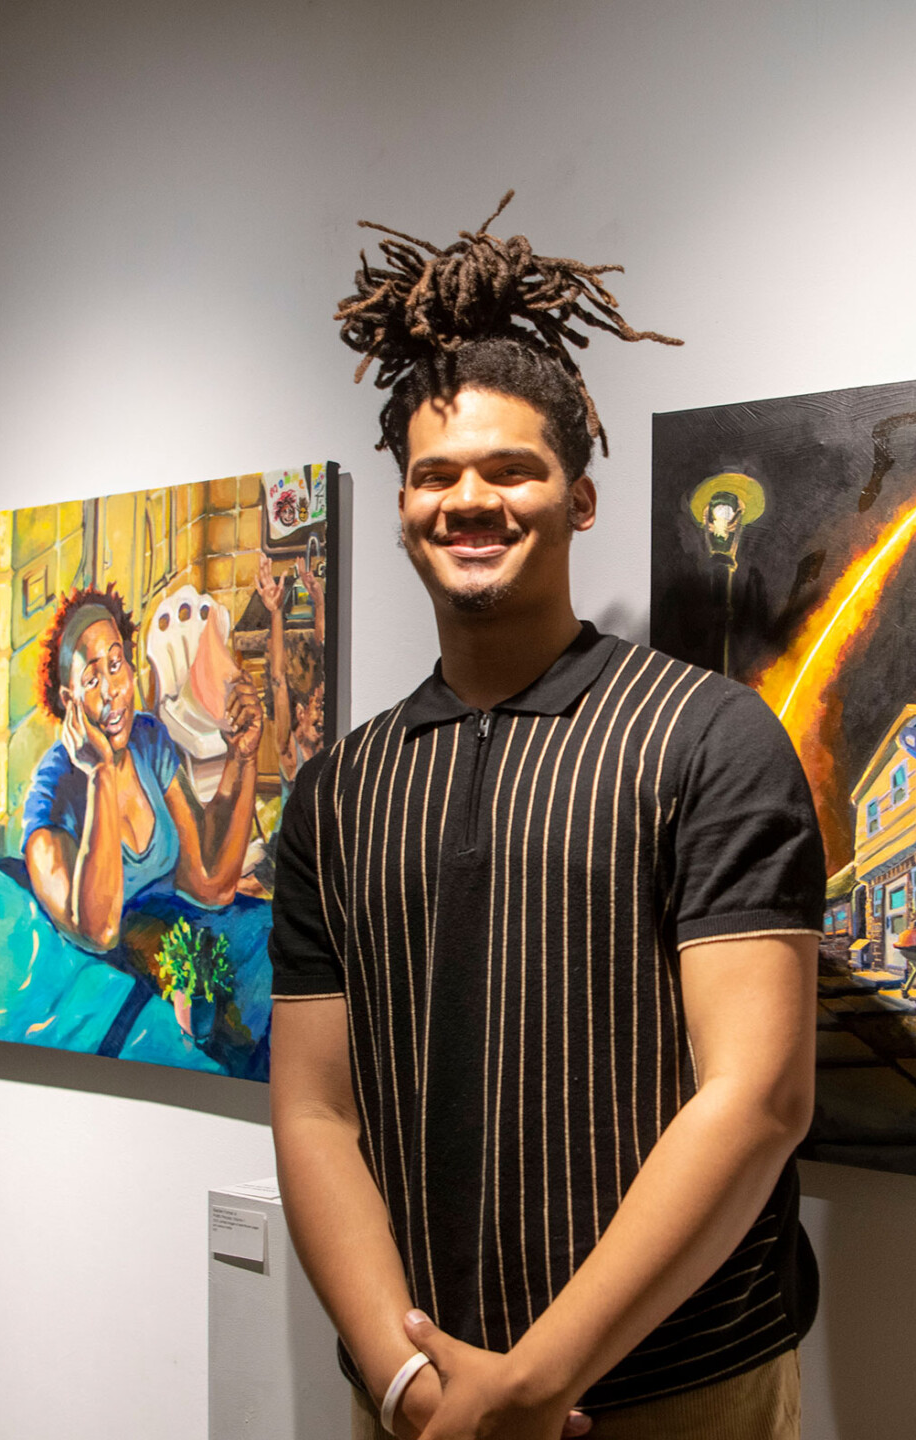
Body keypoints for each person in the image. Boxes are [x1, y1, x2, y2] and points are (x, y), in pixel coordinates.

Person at [270, 195, 822, 1440]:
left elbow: (758, 1099)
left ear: (576, 498)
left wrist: (531, 1384)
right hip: (413, 1402)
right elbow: (313, 1111)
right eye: (436, 475)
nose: (471, 500)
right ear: (404, 503)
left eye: (512, 468)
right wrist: (408, 1381)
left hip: (672, 1392)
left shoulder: (708, 741)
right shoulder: (341, 788)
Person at [19, 587, 264, 954]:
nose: (111, 691)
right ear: (69, 701)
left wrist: (243, 759)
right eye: (91, 680)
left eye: (116, 665)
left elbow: (206, 883)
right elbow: (100, 933)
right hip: (102, 986)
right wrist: (100, 773)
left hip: (162, 945)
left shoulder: (148, 739)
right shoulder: (49, 799)